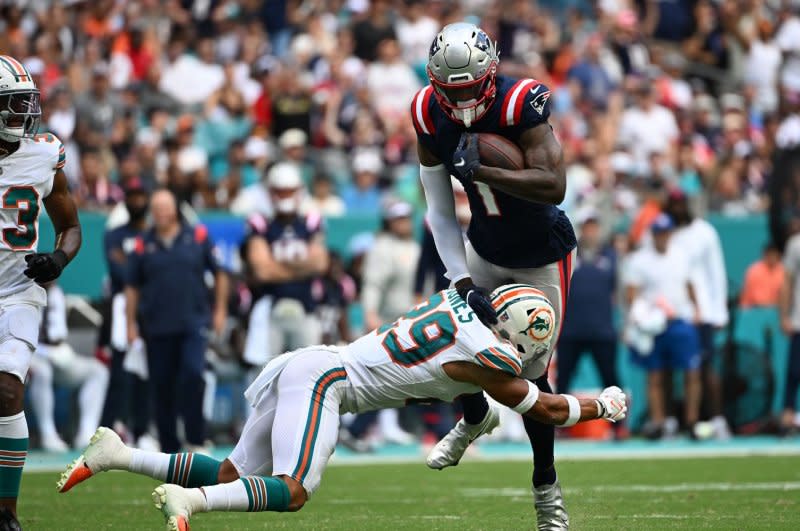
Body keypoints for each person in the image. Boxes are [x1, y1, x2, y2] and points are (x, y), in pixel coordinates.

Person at [58, 285, 627, 531]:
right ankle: (193, 503)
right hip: (329, 381)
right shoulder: (483, 358)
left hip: (313, 362)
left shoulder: (461, 301)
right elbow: (548, 410)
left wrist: (470, 424)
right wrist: (602, 403)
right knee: (294, 490)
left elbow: (478, 392)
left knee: (236, 472)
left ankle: (118, 455)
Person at [412, 23, 577, 528]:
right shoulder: (425, 111)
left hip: (541, 254)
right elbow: (439, 212)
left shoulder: (520, 103)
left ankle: (546, 489)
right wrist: (461, 281)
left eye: (469, 88)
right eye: (451, 90)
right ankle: (476, 417)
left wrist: (482, 170)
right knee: (449, 337)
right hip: (482, 247)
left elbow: (554, 186)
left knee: (531, 376)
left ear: (489, 72)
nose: (460, 101)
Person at [0, 55, 82, 528]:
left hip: (17, 293)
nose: (24, 115)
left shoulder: (43, 153)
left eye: (26, 103)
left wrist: (58, 258)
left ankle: (6, 511)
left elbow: (70, 227)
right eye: (13, 105)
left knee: (8, 389)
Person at [124, 189, 228, 453]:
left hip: (193, 321)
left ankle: (195, 437)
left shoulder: (197, 236)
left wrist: (220, 311)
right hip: (157, 324)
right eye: (156, 208)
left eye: (166, 207)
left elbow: (220, 273)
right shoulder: (142, 243)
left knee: (194, 374)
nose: (161, 213)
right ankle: (169, 444)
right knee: (161, 384)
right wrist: (130, 324)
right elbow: (132, 286)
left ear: (175, 209)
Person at [239, 162, 328, 370]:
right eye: (281, 191)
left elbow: (320, 264)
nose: (285, 196)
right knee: (267, 377)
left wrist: (277, 267)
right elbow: (262, 271)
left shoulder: (310, 222)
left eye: (290, 191)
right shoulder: (260, 223)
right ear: (271, 192)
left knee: (310, 373)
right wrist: (301, 268)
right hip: (269, 309)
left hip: (306, 308)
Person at [623, 214, 702, 439]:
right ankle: (658, 423)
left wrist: (697, 309)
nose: (662, 238)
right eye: (658, 233)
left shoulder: (681, 256)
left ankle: (692, 422)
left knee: (691, 372)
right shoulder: (640, 260)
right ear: (653, 235)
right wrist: (639, 318)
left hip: (680, 321)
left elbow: (689, 284)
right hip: (653, 325)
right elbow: (632, 294)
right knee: (655, 375)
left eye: (665, 233)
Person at [663, 190, 731, 439]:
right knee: (668, 367)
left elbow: (716, 273)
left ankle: (718, 419)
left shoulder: (705, 232)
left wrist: (718, 313)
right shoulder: (665, 233)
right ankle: (671, 422)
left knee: (705, 367)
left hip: (702, 314)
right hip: (673, 312)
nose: (678, 208)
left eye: (681, 203)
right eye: (674, 204)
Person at [555, 214, 622, 432]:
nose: (590, 232)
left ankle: (619, 426)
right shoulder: (569, 254)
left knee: (610, 379)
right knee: (563, 381)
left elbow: (618, 292)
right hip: (571, 330)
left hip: (602, 330)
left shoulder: (611, 257)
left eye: (594, 227)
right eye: (587, 228)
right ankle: (558, 425)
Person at [100, 178, 151, 447]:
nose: (137, 202)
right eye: (132, 196)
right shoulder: (115, 234)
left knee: (149, 371)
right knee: (120, 371)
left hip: (151, 306)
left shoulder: (153, 232)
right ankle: (109, 428)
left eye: (141, 195)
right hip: (124, 307)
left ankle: (142, 429)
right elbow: (120, 272)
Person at [29, 283, 109, 451]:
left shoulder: (57, 292)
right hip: (29, 356)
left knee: (98, 371)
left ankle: (87, 433)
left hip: (57, 355)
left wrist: (59, 351)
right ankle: (48, 435)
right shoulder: (22, 291)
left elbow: (57, 334)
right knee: (42, 372)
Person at [779, 230, 800, 435]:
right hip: (799, 320)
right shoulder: (795, 243)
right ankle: (788, 416)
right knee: (794, 371)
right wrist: (784, 315)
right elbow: (787, 281)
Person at [740, 243, 784, 308]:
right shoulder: (754, 271)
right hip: (755, 310)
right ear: (765, 254)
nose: (772, 257)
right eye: (770, 254)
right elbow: (753, 298)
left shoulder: (783, 270)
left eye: (774, 255)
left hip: (778, 310)